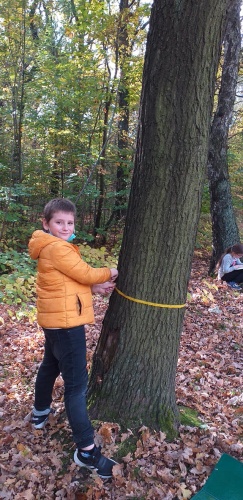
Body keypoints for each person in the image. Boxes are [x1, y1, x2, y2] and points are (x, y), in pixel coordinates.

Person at [27, 198, 118, 479]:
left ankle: (40, 411)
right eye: (59, 222)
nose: (65, 227)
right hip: (67, 327)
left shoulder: (46, 247)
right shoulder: (58, 248)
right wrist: (112, 272)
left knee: (49, 366)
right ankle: (87, 451)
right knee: (77, 387)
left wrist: (92, 289)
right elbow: (85, 273)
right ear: (46, 223)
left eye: (70, 222)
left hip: (55, 322)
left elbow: (64, 284)